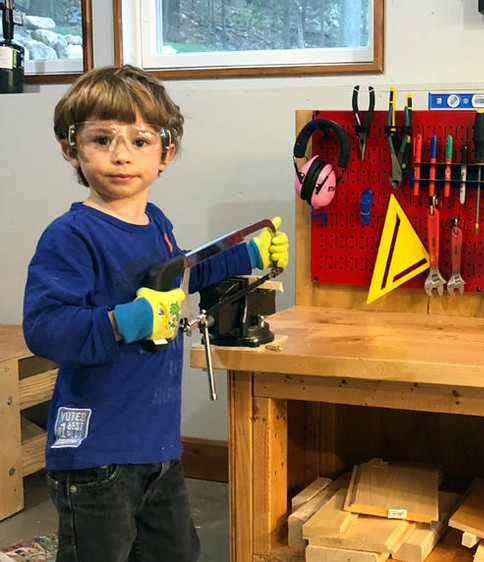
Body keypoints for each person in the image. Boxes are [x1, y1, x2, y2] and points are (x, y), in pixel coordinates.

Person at [22, 64, 289, 562]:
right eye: (102, 139)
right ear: (71, 149)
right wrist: (128, 321)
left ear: (166, 152)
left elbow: (179, 273)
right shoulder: (71, 236)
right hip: (95, 454)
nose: (122, 154)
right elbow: (46, 329)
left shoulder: (155, 222)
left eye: (141, 140)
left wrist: (248, 256)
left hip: (156, 446)